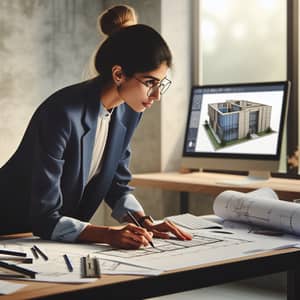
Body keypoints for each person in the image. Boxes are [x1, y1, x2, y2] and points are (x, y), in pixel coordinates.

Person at [0, 6, 192, 249]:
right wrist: (109, 235)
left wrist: (144, 222)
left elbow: (116, 183)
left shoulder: (129, 111)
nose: (156, 95)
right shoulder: (61, 113)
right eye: (150, 83)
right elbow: (44, 216)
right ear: (119, 74)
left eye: (161, 84)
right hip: (10, 232)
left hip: (47, 241)